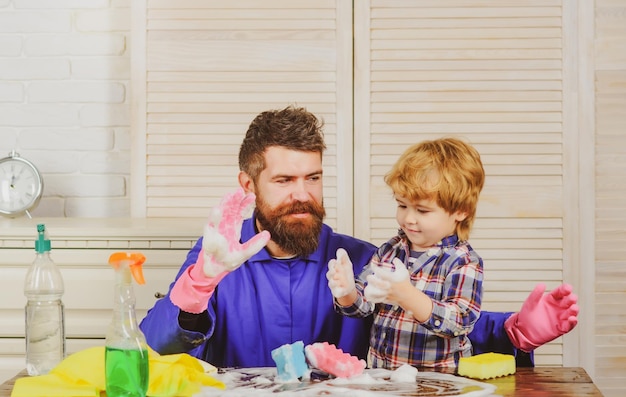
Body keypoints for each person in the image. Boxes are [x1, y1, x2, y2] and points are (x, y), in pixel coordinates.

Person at [139, 105, 579, 369]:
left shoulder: (358, 258)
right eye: (284, 179)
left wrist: (516, 331)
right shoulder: (216, 260)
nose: (302, 195)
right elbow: (152, 348)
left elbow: (440, 321)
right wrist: (196, 289)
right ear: (248, 185)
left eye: (313, 177)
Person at [327, 138, 485, 369]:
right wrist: (347, 291)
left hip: (439, 385)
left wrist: (407, 296)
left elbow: (459, 322)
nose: (409, 219)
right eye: (402, 206)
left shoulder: (463, 261)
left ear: (461, 211)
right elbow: (362, 307)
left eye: (422, 210)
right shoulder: (390, 251)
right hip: (385, 381)